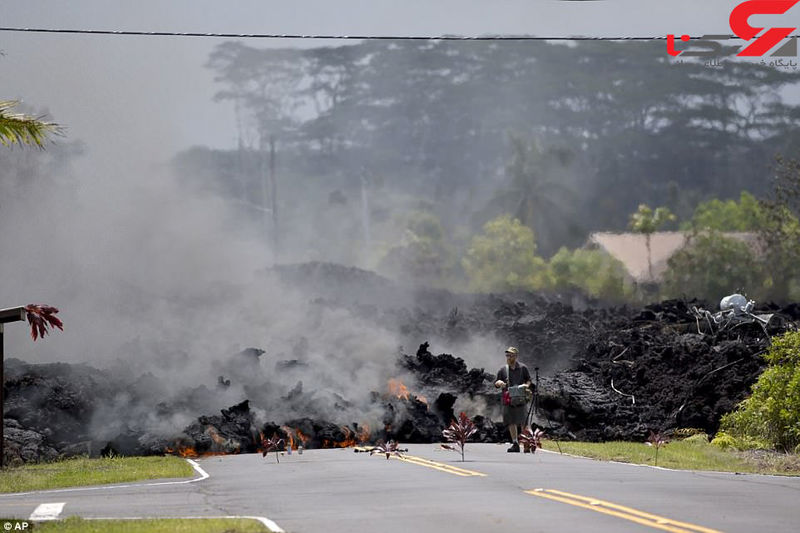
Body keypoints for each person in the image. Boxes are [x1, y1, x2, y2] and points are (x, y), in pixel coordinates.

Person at [494, 346, 531, 453]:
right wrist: (499, 383)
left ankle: (526, 443)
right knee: (511, 421)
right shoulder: (503, 370)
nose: (509, 357)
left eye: (511, 355)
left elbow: (528, 380)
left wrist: (526, 386)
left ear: (516, 356)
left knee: (523, 421)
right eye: (507, 355)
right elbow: (496, 383)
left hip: (521, 398)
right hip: (508, 398)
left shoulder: (523, 368)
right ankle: (515, 443)